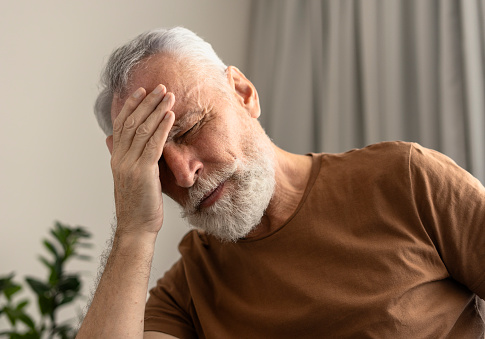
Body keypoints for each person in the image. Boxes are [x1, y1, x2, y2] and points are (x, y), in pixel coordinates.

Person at [77, 27, 485, 338]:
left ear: (243, 93)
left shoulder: (406, 180)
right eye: (156, 163)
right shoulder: (189, 288)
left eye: (190, 129)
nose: (184, 174)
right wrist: (134, 231)